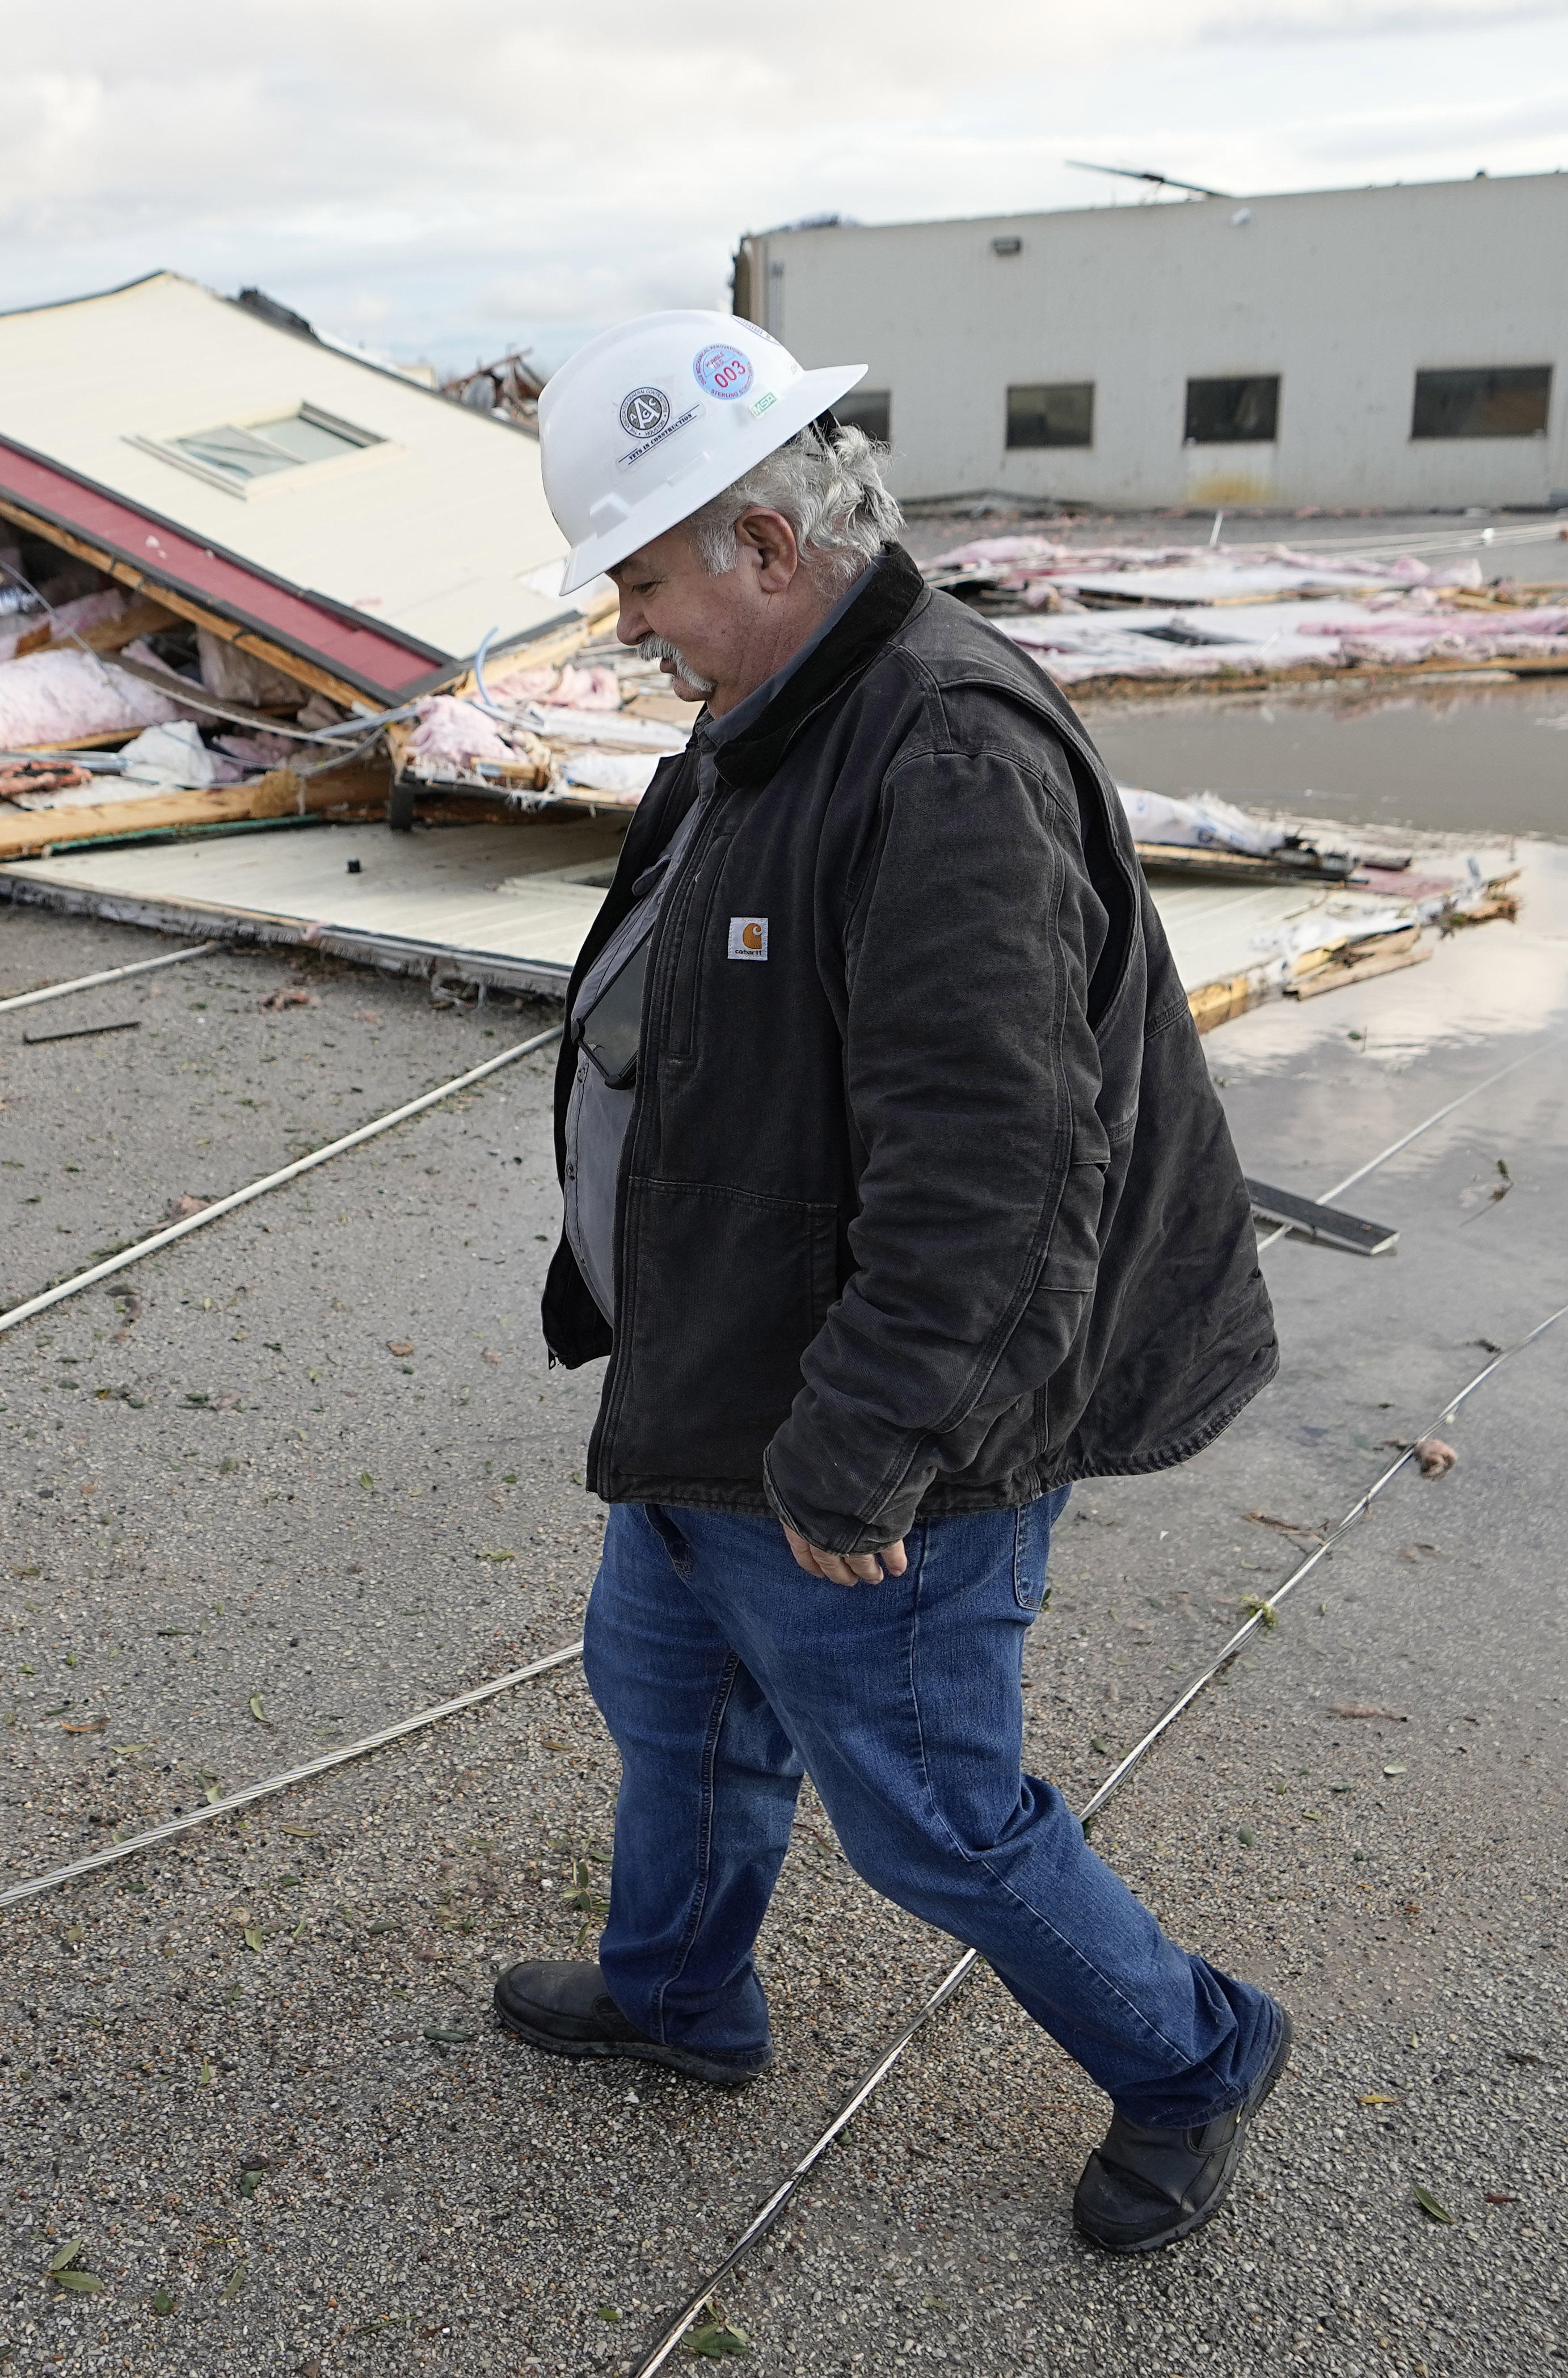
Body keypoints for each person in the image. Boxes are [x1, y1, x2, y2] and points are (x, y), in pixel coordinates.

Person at [487, 311, 1293, 2255]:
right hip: (723, 1367)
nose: (625, 625)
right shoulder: (762, 723)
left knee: (932, 1808)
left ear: (766, 548)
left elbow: (995, 1176)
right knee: (667, 1699)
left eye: (642, 577)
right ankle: (679, 1997)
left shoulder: (940, 758)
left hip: (873, 1417)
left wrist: (862, 1451)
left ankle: (1195, 2055)